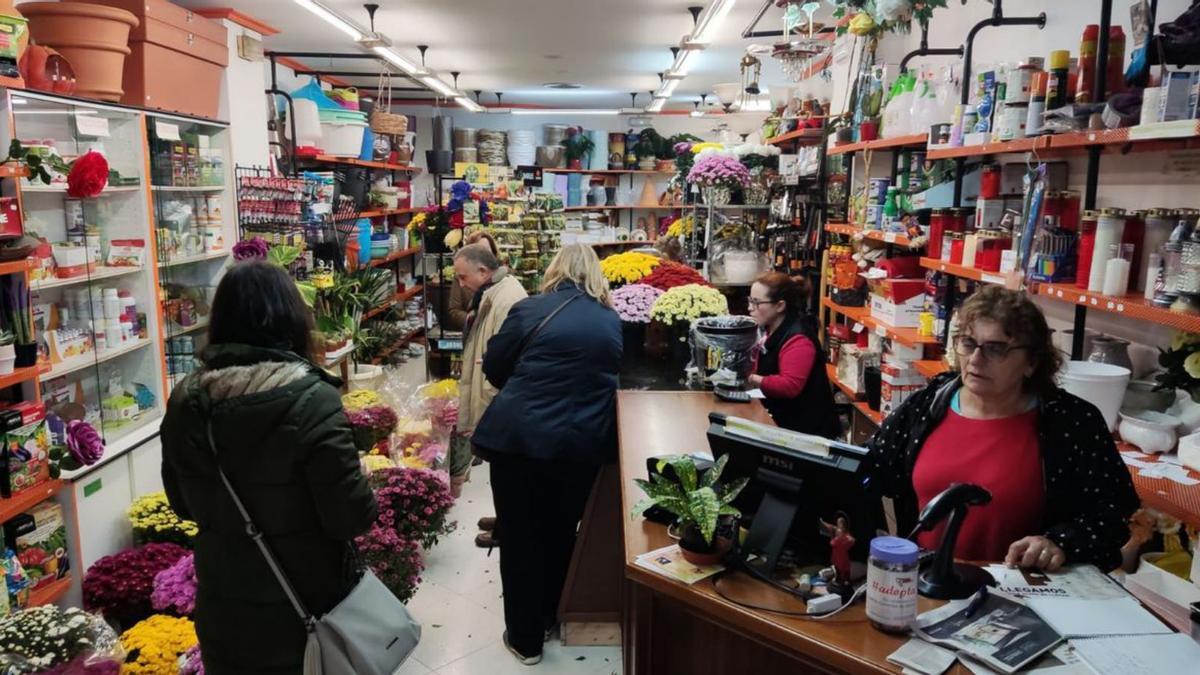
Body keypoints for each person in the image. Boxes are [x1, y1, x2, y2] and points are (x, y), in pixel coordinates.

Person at [160, 261, 377, 675]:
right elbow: (350, 515)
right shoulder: (312, 398)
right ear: (292, 318)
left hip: (224, 602)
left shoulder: (187, 400)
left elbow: (182, 504)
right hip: (306, 602)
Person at [866, 286, 1139, 571]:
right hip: (925, 584)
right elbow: (871, 468)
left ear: (1032, 362)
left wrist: (1060, 542)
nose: (975, 359)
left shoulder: (1072, 422)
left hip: (1020, 591)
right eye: (968, 343)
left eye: (996, 349)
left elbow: (1116, 514)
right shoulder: (930, 401)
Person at [472, 244, 622, 665]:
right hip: (580, 448)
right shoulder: (610, 320)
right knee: (560, 533)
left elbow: (496, 367)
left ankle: (525, 640)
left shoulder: (531, 309)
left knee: (520, 537)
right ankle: (550, 615)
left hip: (519, 441)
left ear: (555, 270)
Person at [452, 242, 527, 502]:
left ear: (483, 271)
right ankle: (501, 524)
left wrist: (488, 408)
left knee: (506, 477)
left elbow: (504, 361)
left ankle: (505, 530)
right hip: (494, 403)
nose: (461, 284)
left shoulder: (507, 298)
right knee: (501, 476)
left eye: (463, 276)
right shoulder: (493, 291)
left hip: (499, 406)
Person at [746, 272, 841, 438]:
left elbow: (789, 386)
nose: (750, 308)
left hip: (809, 436)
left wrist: (752, 378)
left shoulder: (799, 340)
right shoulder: (773, 328)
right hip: (785, 424)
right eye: (750, 301)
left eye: (757, 303)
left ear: (780, 306)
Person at [446, 231, 501, 331]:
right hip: (472, 334)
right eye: (480, 251)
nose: (484, 255)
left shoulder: (502, 279)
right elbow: (454, 309)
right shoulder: (461, 277)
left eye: (487, 251)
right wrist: (472, 321)